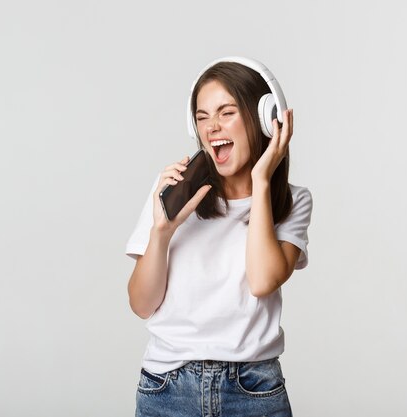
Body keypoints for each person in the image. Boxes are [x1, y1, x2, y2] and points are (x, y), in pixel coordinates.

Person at [126, 57, 312, 417]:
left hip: (254, 388)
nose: (212, 127)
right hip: (167, 389)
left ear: (264, 120)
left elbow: (262, 281)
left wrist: (260, 182)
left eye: (226, 112)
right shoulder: (172, 193)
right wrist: (162, 232)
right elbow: (141, 305)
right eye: (201, 116)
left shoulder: (293, 201)